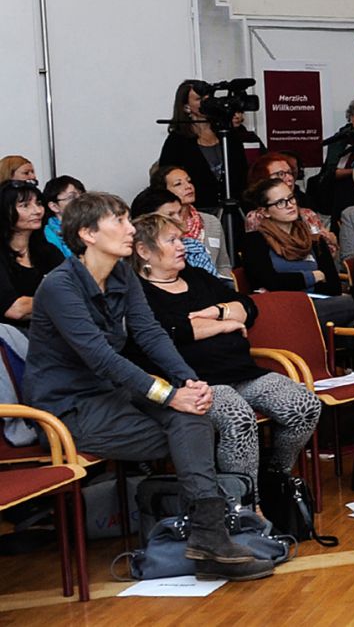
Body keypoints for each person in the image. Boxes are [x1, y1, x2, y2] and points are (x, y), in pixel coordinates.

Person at [24, 192, 275, 580]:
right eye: (119, 221)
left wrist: (190, 382)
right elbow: (100, 357)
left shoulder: (122, 273)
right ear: (88, 234)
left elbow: (150, 333)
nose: (130, 229)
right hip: (68, 408)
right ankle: (211, 535)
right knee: (186, 429)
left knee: (195, 417)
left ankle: (209, 536)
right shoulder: (59, 286)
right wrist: (168, 395)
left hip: (111, 394)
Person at [130, 213, 321, 484]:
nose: (182, 246)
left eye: (181, 239)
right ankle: (244, 503)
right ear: (143, 250)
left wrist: (216, 312)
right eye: (171, 240)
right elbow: (171, 331)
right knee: (238, 418)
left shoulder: (195, 276)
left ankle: (274, 475)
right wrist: (225, 324)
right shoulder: (138, 291)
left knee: (304, 405)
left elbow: (248, 307)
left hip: (242, 371)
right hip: (195, 382)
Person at [238, 178, 354, 326]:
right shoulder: (255, 241)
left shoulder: (314, 240)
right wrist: (313, 276)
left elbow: (333, 287)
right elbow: (271, 282)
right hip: (279, 310)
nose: (290, 205)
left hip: (317, 304)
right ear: (265, 212)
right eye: (280, 203)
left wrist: (294, 282)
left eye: (291, 198)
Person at [157, 80, 249, 213]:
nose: (207, 102)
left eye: (209, 98)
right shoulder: (177, 141)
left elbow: (243, 172)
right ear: (186, 107)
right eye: (200, 99)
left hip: (236, 210)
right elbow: (166, 179)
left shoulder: (228, 134)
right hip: (198, 212)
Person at [144, 165, 231, 284]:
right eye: (178, 184)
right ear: (163, 192)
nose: (188, 186)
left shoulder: (211, 221)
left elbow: (223, 265)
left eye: (189, 181)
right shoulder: (160, 227)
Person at [244, 154, 337, 252]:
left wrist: (330, 242)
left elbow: (328, 253)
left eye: (289, 172)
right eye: (281, 174)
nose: (290, 178)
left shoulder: (307, 214)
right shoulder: (257, 216)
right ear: (263, 181)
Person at [2, 182, 62, 330]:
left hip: (49, 332)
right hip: (10, 338)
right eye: (25, 206)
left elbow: (77, 288)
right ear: (5, 211)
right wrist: (64, 301)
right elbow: (15, 309)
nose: (37, 211)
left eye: (39, 203)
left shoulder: (48, 251)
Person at [41, 175, 84, 258]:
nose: (81, 201)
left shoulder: (90, 224)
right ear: (54, 206)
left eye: (82, 196)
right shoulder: (48, 234)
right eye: (72, 197)